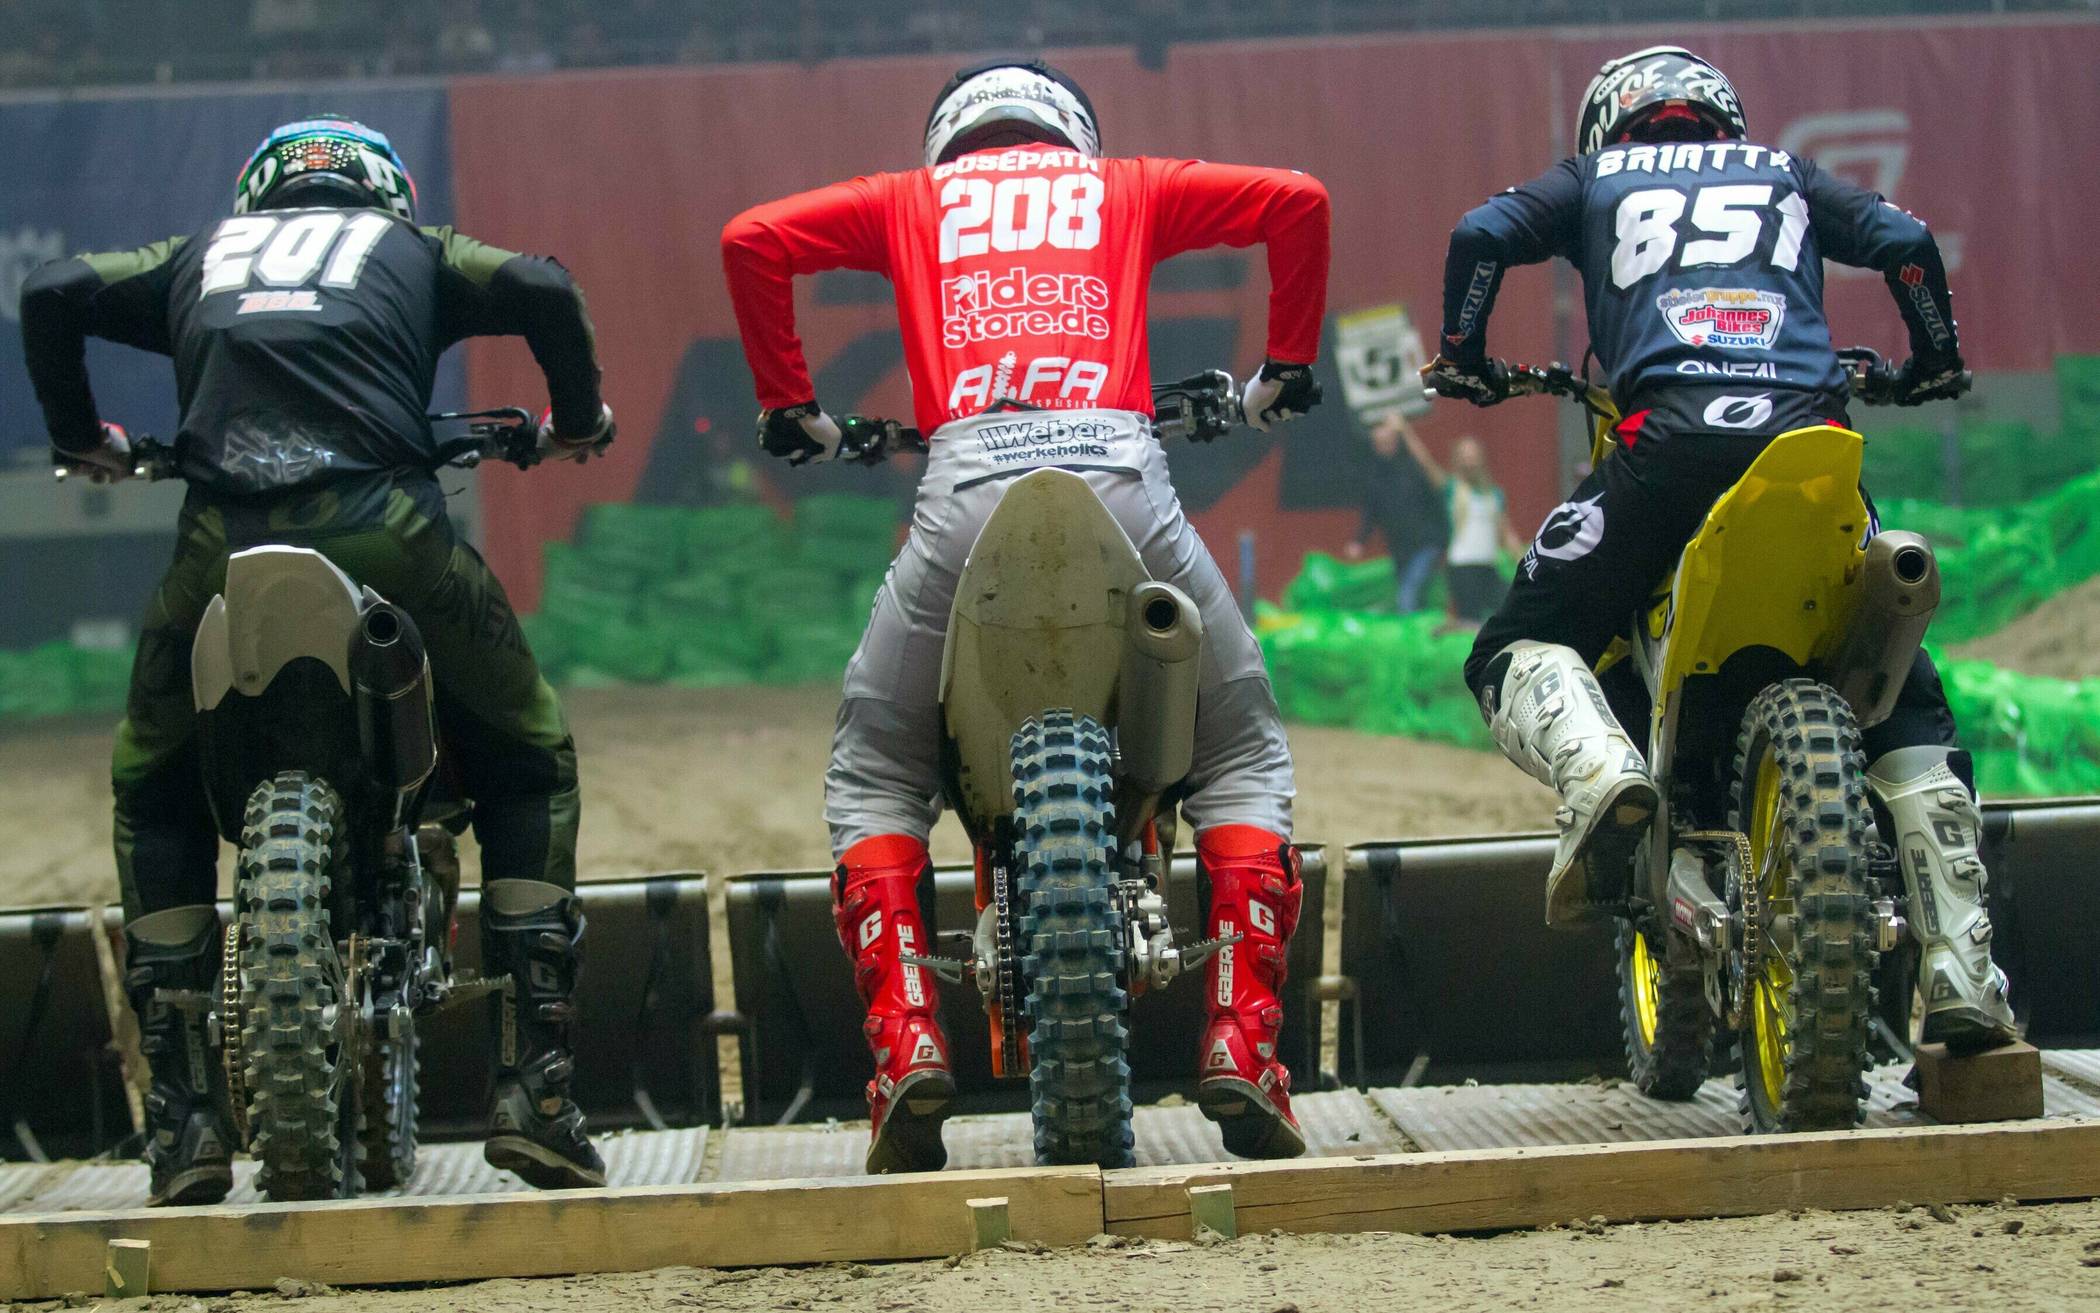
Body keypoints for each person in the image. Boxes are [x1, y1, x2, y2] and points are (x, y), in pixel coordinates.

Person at [722, 59, 1329, 1171]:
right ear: (1073, 138)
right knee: (1239, 751)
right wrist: (1285, 363)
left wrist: (789, 403)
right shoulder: (1125, 186)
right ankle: (1244, 1044)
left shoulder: (916, 200)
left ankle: (906, 1047)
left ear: (951, 142)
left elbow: (752, 238)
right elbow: (1298, 202)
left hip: (962, 496)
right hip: (1126, 480)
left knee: (875, 772)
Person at [20, 117, 617, 1204]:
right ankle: (537, 1083)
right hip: (389, 523)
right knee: (532, 757)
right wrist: (575, 416)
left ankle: (186, 1119)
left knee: (151, 788)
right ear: (381, 192)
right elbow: (538, 281)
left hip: (219, 545)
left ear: (260, 196)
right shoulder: (416, 249)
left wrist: (80, 439)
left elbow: (53, 288)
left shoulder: (197, 255)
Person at [1422, 47, 2014, 1049]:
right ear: (1722, 119)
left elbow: (1480, 235)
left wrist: (1469, 358)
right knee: (1900, 681)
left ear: (1609, 125)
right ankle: (1961, 965)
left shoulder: (1594, 177)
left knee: (1511, 645)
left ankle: (1605, 772)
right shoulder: (1782, 169)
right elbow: (1908, 245)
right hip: (1811, 445)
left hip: (1666, 445)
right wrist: (1933, 360)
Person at [1345, 411, 1447, 614]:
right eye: (1379, 443)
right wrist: (1359, 541)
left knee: (1408, 594)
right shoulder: (1375, 476)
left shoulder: (1411, 468)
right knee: (1416, 593)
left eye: (1388, 441)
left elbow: (1436, 492)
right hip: (1400, 548)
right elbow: (1370, 513)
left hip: (1425, 542)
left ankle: (1411, 631)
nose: (1384, 447)